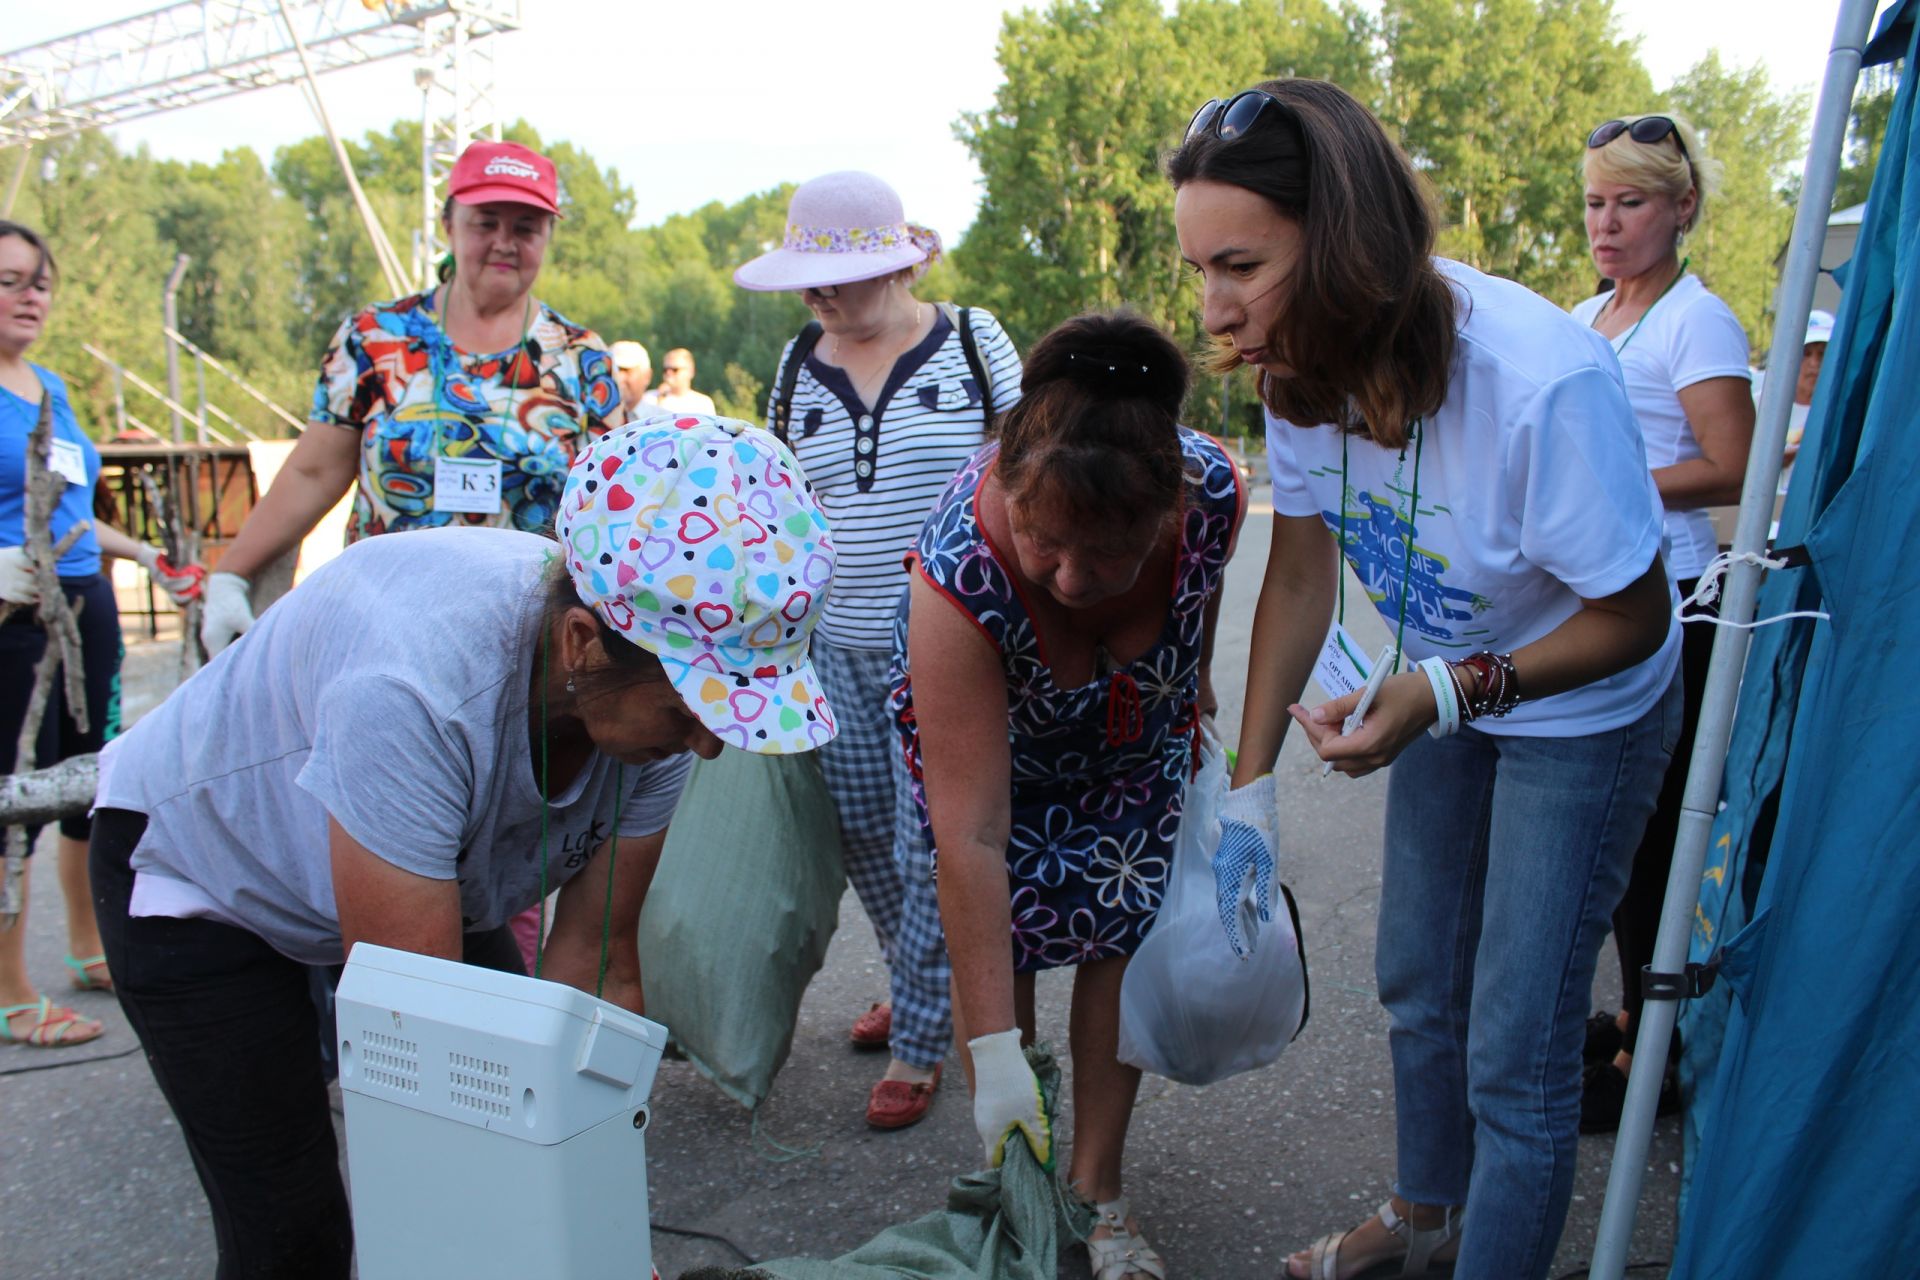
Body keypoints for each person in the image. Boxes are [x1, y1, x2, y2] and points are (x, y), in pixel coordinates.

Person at [91, 413, 835, 1277]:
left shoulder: (649, 713)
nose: (710, 746)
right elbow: (421, 1052)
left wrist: (600, 1223)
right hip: (200, 876)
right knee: (293, 1230)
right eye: (690, 712)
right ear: (582, 642)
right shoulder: (412, 689)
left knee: (527, 1140)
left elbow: (597, 964)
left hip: (425, 871)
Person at [1169, 79, 1681, 1280]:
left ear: (1343, 241)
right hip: (1451, 682)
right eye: (1199, 269)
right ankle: (1427, 1215)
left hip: (1583, 704)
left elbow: (1638, 615)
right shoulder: (1298, 366)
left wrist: (1448, 693)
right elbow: (1298, 570)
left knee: (1517, 1040)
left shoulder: (1540, 378)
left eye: (1238, 264)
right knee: (1415, 978)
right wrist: (1249, 788)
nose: (1214, 311)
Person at [892, 311, 1244, 1279]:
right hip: (998, 739)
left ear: (1167, 510)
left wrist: (1197, 669)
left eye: (1109, 553)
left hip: (1136, 725)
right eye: (1047, 542)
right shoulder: (957, 571)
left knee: (1118, 924)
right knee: (1008, 931)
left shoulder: (1212, 489)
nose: (1074, 577)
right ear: (1006, 480)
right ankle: (1025, 1191)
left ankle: (1097, 1187)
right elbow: (971, 837)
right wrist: (995, 1050)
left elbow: (1203, 587)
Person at [733, 169, 1024, 1130]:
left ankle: (923, 1040)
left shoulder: (976, 345)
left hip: (947, 653)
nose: (817, 296)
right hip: (831, 652)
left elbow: (1029, 480)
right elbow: (780, 509)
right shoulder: (790, 369)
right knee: (865, 840)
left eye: (838, 277)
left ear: (899, 263)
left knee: (932, 845)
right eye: (806, 280)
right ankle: (917, 982)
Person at [198, 139, 621, 655]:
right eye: (486, 222)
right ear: (450, 224)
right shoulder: (376, 338)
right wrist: (231, 576)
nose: (505, 242)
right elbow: (313, 472)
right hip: (382, 630)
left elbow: (609, 511)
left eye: (526, 228)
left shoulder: (581, 358)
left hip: (526, 651)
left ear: (549, 235)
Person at [1573, 112, 1755, 1133]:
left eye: (1630, 202)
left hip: (1676, 604)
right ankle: (1642, 1012)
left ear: (1682, 209)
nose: (1607, 223)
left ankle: (1659, 1052)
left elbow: (1735, 464)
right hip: (1598, 597)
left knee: (1650, 839)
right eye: (1596, 202)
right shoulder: (1588, 311)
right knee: (1614, 834)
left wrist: (1613, 483)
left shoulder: (1698, 319)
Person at [0, 219, 200, 1048]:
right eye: (8, 280)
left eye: (38, 281)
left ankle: (87, 949)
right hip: (14, 619)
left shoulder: (50, 386)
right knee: (15, 800)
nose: (27, 296)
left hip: (89, 608)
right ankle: (9, 991)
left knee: (89, 784)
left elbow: (76, 508)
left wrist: (147, 555)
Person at [641, 347, 717, 414]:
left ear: (690, 371)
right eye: (665, 370)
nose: (668, 373)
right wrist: (660, 400)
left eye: (675, 370)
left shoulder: (703, 404)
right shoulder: (648, 398)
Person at [611, 339, 653, 416]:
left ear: (647, 376)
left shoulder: (665, 422)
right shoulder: (587, 421)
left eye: (626, 370)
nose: (619, 377)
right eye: (612, 370)